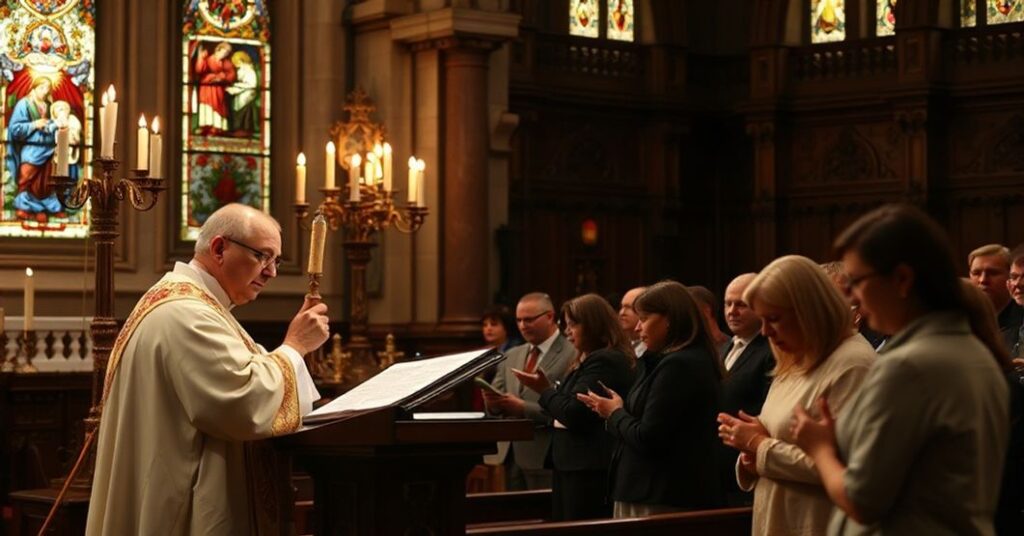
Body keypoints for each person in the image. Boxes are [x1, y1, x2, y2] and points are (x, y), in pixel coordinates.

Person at [86, 204, 329, 535]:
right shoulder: (186, 314)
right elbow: (243, 402)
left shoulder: (191, 305)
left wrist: (294, 352)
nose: (272, 271)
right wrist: (295, 346)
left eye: (276, 260)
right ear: (219, 249)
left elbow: (246, 378)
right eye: (263, 256)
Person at [790, 204, 1010, 535]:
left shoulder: (907, 365)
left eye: (856, 282)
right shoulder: (973, 351)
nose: (851, 297)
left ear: (902, 279)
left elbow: (862, 501)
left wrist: (819, 449)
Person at [717, 256, 876, 536]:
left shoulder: (854, 364)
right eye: (762, 320)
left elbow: (848, 470)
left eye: (774, 319)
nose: (765, 332)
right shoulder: (795, 356)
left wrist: (758, 445)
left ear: (810, 310)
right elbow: (777, 439)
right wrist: (750, 455)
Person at [578, 281, 724, 517]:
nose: (637, 328)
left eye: (644, 318)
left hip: (662, 493)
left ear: (670, 319)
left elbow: (649, 437)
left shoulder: (680, 365)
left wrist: (614, 413)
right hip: (649, 489)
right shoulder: (665, 361)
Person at [513, 294, 634, 521]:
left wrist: (544, 390)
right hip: (573, 464)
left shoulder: (605, 360)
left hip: (588, 468)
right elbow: (564, 408)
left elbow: (574, 413)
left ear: (594, 325)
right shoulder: (587, 360)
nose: (567, 331)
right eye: (566, 325)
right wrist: (553, 397)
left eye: (573, 324)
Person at [484, 292, 574, 490]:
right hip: (510, 454)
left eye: (529, 319)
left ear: (550, 316)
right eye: (519, 320)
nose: (523, 325)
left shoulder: (572, 352)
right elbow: (496, 403)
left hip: (546, 452)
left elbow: (571, 408)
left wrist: (524, 408)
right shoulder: (511, 354)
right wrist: (492, 403)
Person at [717, 272, 776, 506]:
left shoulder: (771, 351)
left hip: (745, 469)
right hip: (718, 471)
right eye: (728, 303)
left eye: (741, 305)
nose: (732, 311)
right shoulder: (725, 346)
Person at [6, 77, 61, 223]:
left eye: (47, 88)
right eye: (42, 88)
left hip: (48, 148)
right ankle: (24, 207)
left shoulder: (49, 105)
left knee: (45, 181)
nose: (45, 92)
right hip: (31, 149)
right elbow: (15, 129)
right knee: (26, 179)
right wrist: (34, 124)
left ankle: (46, 208)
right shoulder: (24, 104)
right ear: (34, 87)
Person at [968, 244, 1023, 351]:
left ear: (1010, 276)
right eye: (976, 273)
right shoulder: (964, 318)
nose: (982, 280)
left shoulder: (1020, 319)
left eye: (993, 273)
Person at [194, 41, 236, 136]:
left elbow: (232, 74)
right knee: (206, 105)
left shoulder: (226, 62)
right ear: (218, 49)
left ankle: (217, 127)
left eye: (227, 53)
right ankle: (205, 126)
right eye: (223, 52)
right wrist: (201, 58)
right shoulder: (208, 59)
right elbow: (199, 69)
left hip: (218, 88)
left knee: (218, 105)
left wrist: (222, 77)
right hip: (207, 86)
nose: (224, 55)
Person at [225, 49, 258, 137]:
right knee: (237, 112)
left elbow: (251, 84)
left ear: (242, 60)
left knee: (245, 114)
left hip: (247, 96)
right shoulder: (242, 69)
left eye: (237, 62)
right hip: (240, 95)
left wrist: (236, 87)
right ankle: (237, 130)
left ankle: (244, 131)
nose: (236, 65)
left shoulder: (250, 70)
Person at [618, 286, 646, 356]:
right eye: (622, 307)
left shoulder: (651, 350)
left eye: (628, 307)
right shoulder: (617, 345)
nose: (622, 313)